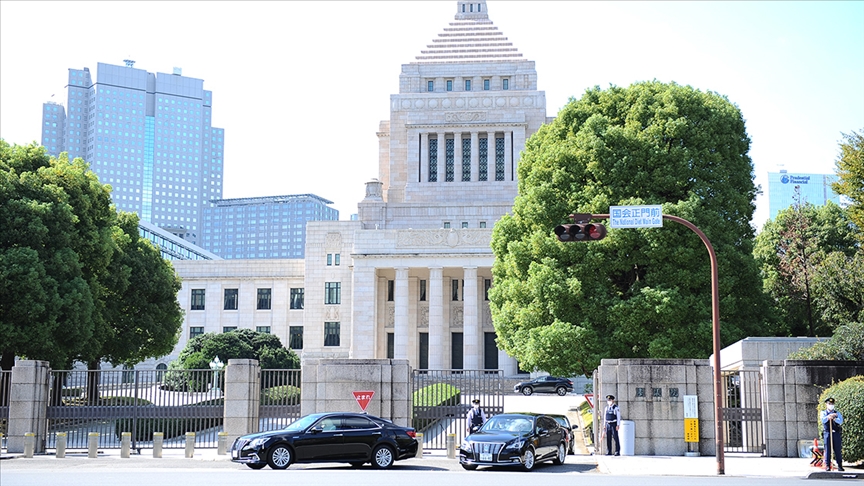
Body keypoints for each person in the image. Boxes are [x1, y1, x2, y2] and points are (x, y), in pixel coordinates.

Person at [821, 397, 844, 472]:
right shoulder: (823, 413)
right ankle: (828, 465)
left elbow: (840, 421)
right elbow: (823, 420)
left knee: (837, 449)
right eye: (829, 404)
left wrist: (834, 418)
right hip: (827, 433)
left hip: (836, 433)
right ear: (826, 404)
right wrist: (828, 417)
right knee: (828, 449)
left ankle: (840, 465)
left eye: (832, 404)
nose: (831, 405)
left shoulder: (837, 413)